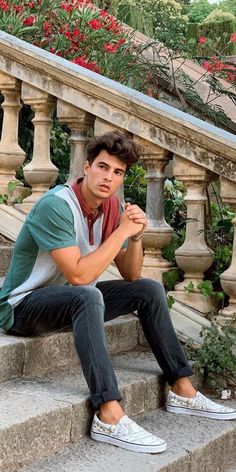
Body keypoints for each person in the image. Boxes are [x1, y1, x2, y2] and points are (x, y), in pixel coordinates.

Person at [0, 131, 235, 454]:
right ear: (87, 167)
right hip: (21, 308)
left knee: (149, 289)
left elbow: (131, 273)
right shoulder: (56, 206)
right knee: (88, 294)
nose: (108, 177)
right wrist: (122, 230)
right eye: (103, 167)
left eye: (118, 172)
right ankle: (108, 413)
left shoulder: (111, 207)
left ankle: (182, 388)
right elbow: (80, 276)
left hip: (69, 301)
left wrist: (135, 236)